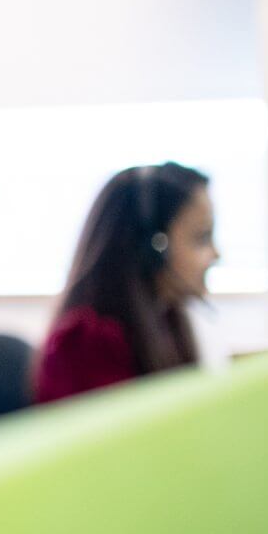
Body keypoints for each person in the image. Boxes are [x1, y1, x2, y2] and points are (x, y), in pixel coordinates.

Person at [33, 162, 219, 405]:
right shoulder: (87, 343)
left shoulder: (167, 321)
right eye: (201, 238)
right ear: (154, 249)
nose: (216, 254)